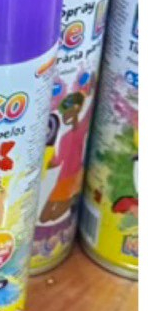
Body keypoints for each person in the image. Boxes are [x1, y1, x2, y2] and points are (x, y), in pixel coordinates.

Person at [41, 92, 93, 223]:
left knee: (48, 216)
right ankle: (71, 200)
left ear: (76, 110)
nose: (65, 116)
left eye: (68, 113)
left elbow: (87, 115)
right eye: (64, 113)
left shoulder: (80, 130)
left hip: (72, 176)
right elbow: (57, 161)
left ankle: (71, 200)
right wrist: (45, 161)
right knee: (44, 217)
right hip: (64, 177)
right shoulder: (64, 137)